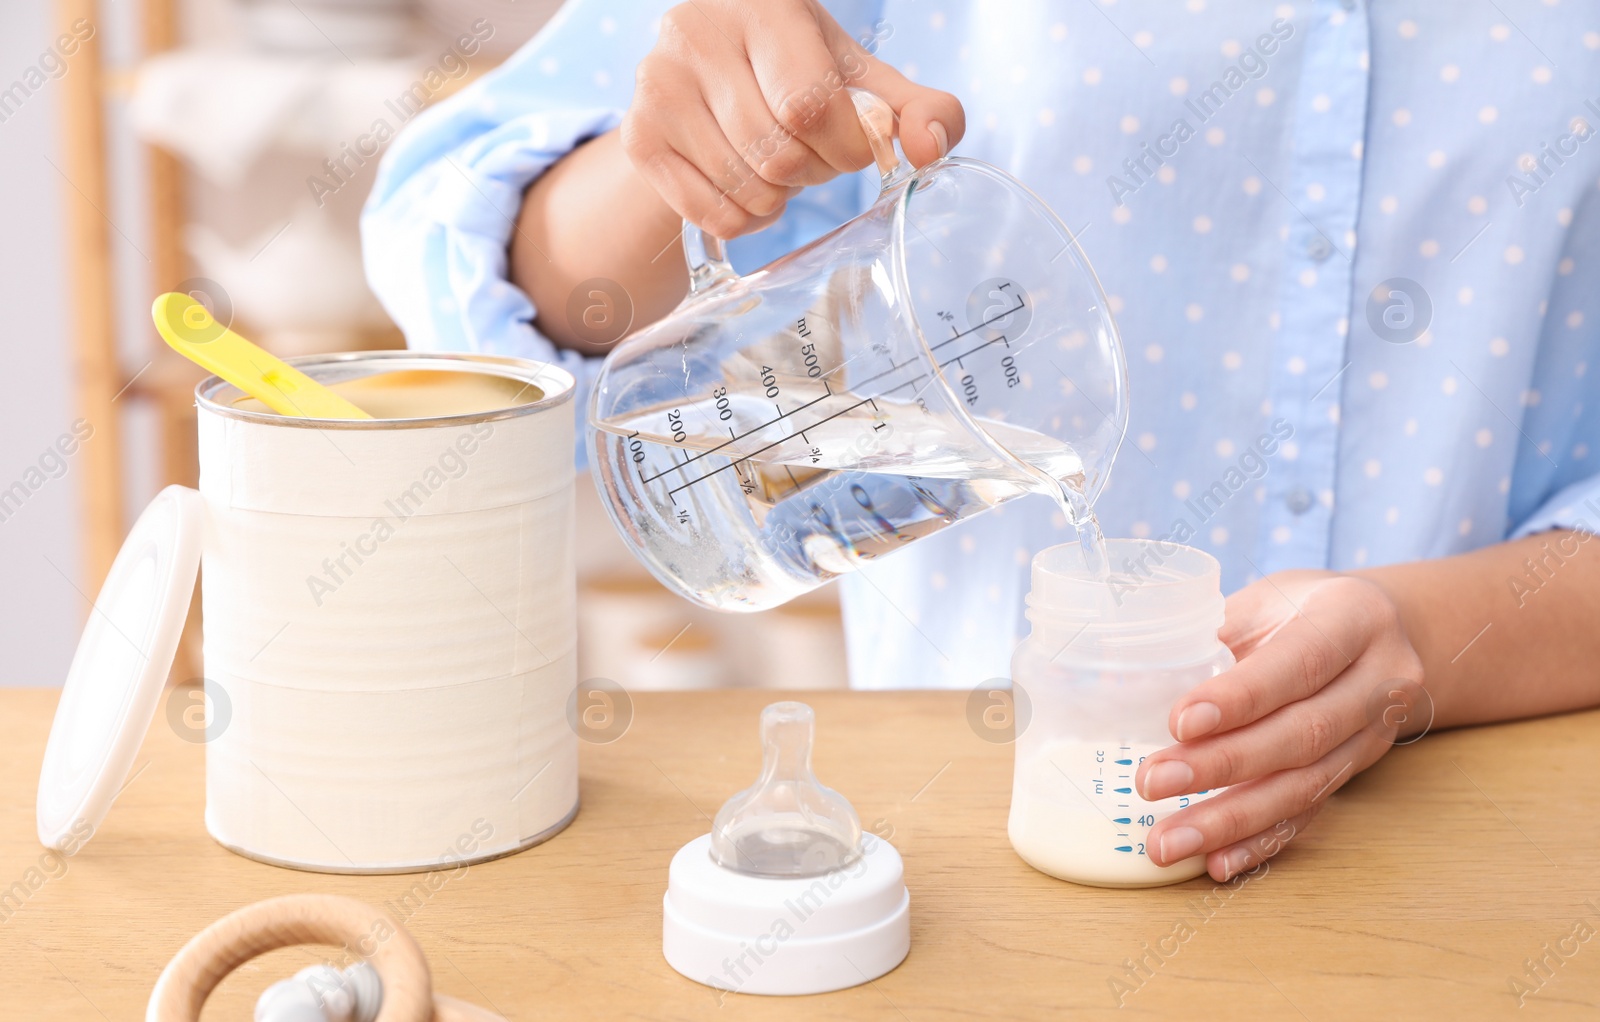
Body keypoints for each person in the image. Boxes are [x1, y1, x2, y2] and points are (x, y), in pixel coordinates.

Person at [362, 0, 1600, 881]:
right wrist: (683, 161)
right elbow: (460, 260)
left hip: (1496, 864)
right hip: (966, 871)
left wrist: (1429, 645)